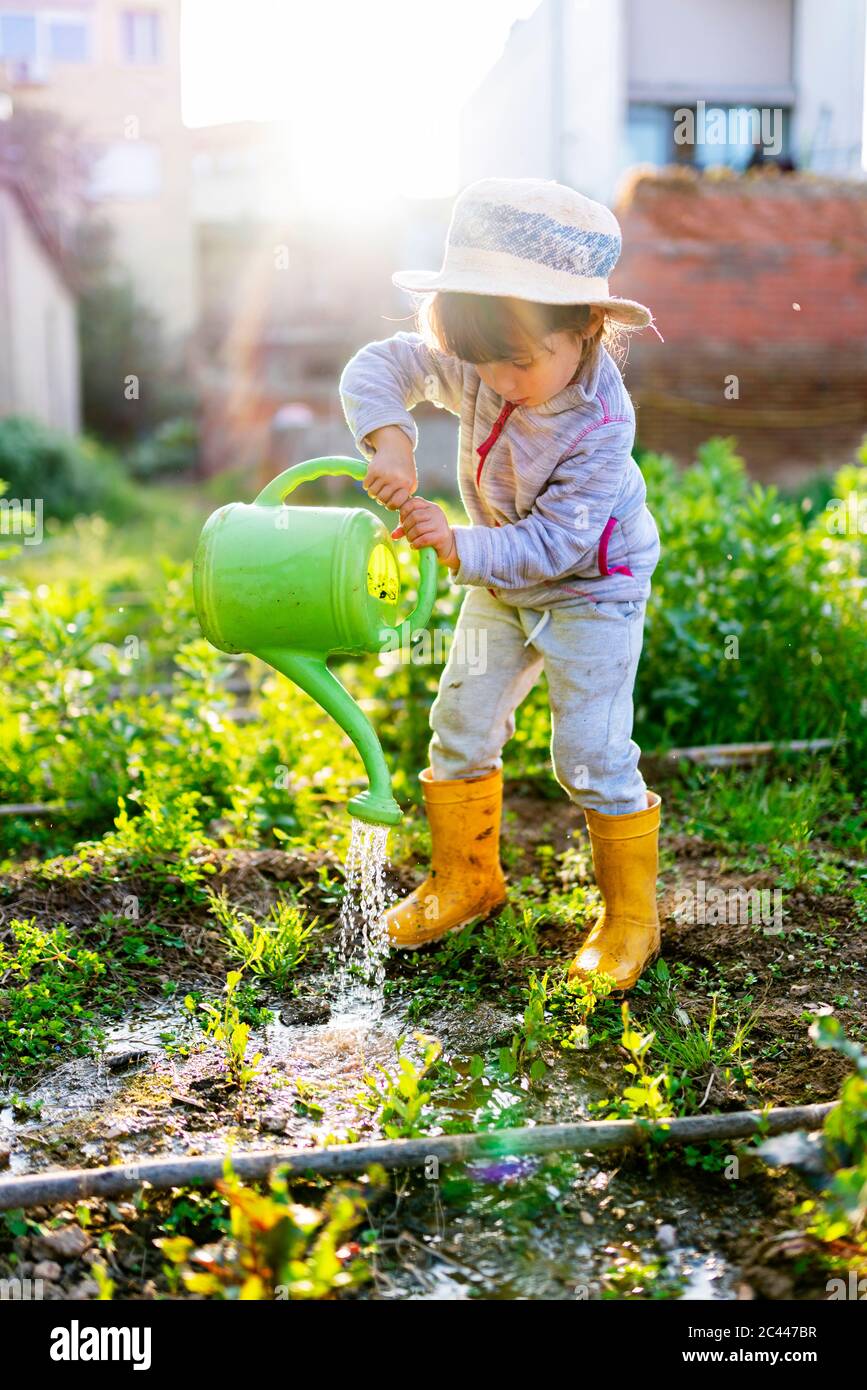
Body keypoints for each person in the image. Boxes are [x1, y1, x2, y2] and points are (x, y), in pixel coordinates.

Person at [338, 177, 663, 991]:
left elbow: (556, 543)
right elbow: (383, 364)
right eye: (479, 361)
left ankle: (630, 919)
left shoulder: (600, 424)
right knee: (460, 725)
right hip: (498, 578)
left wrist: (459, 545)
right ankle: (467, 881)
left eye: (518, 361)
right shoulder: (488, 363)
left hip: (591, 588)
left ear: (586, 327)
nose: (498, 381)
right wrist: (391, 441)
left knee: (587, 752)